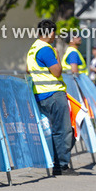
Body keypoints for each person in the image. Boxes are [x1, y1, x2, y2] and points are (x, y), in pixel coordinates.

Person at [26, 19, 74, 176]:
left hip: (40, 94)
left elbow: (28, 70)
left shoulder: (33, 48)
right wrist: (57, 56)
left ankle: (56, 164)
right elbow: (57, 72)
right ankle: (62, 166)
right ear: (51, 32)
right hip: (53, 93)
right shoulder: (47, 49)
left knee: (53, 131)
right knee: (63, 130)